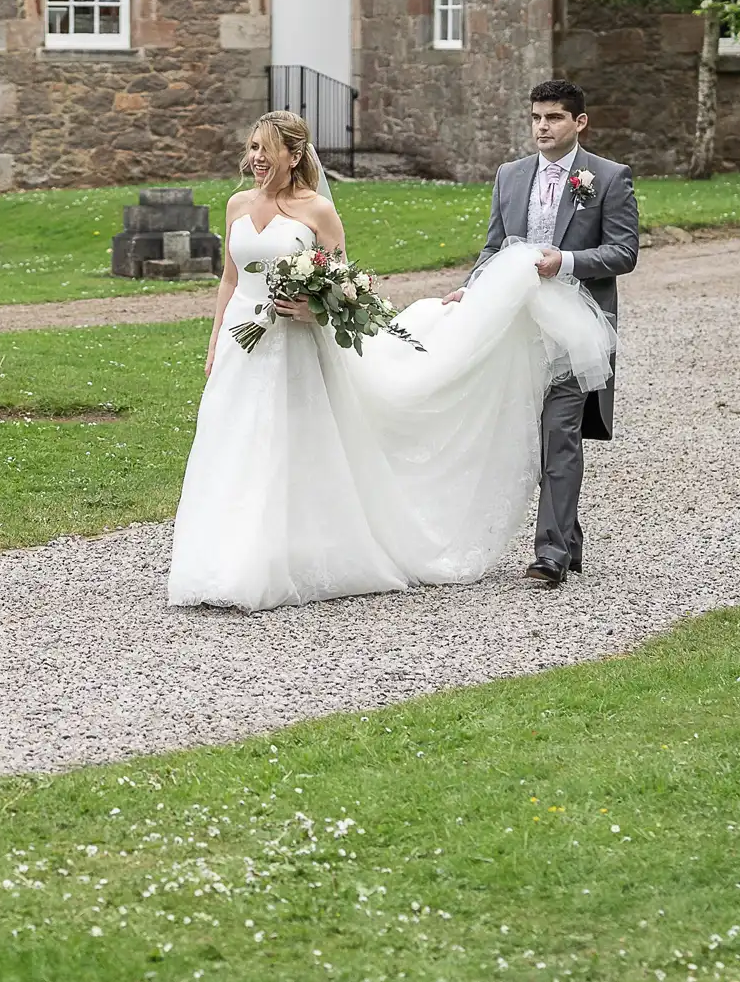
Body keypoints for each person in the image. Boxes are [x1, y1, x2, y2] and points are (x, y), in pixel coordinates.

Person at [166, 107, 620, 612]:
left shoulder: (317, 211)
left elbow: (343, 291)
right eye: (251, 149)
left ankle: (286, 558)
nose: (255, 160)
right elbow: (230, 280)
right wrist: (215, 341)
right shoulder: (235, 205)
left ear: (294, 156)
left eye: (265, 150)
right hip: (241, 342)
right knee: (231, 443)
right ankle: (221, 559)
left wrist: (310, 310)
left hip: (294, 347)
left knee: (290, 444)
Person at [444, 79, 639, 589]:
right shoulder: (509, 176)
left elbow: (624, 252)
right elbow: (494, 248)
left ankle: (549, 554)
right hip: (519, 324)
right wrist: (472, 290)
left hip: (577, 327)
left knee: (561, 434)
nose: (542, 127)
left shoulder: (609, 177)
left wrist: (566, 260)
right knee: (529, 438)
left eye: (553, 118)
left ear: (579, 122)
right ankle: (568, 537)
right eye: (536, 118)